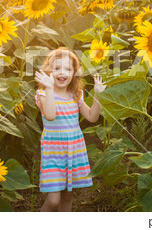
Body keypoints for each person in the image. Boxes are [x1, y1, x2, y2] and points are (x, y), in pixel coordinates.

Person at [34, 47, 106, 212]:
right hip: (53, 152)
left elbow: (92, 117)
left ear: (74, 73)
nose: (62, 72)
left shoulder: (76, 94)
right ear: (48, 71)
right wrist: (50, 88)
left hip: (73, 150)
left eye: (68, 69)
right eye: (57, 68)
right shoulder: (43, 94)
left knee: (67, 197)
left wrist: (98, 95)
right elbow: (50, 115)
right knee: (53, 200)